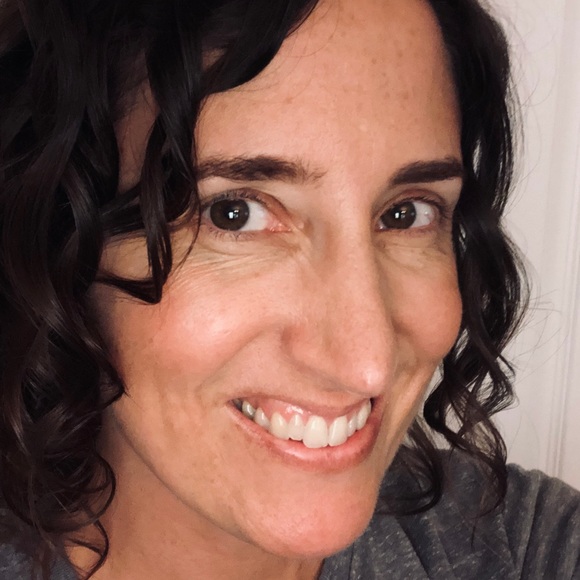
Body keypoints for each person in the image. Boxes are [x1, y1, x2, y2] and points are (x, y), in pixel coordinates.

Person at [0, 0, 579, 578]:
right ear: (55, 240)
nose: (367, 361)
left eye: (405, 214)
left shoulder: (520, 545)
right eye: (234, 213)